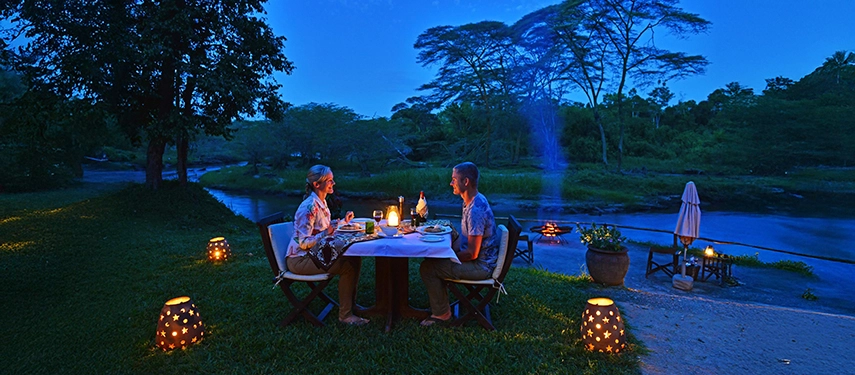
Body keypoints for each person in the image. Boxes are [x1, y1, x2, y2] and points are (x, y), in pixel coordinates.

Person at [286, 165, 369, 325]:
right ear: (317, 184)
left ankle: (351, 304)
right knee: (347, 266)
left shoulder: (321, 203)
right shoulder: (308, 208)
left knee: (354, 258)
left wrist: (344, 222)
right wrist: (326, 233)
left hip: (315, 254)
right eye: (329, 180)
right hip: (300, 259)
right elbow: (303, 243)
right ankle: (345, 315)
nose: (333, 183)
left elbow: (323, 228)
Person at [419, 162, 498, 326]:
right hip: (481, 261)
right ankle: (442, 307)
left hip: (481, 267)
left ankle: (442, 314)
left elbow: (472, 253)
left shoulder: (476, 209)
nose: (451, 183)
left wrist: (447, 256)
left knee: (428, 267)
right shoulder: (470, 201)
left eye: (454, 179)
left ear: (466, 182)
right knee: (433, 261)